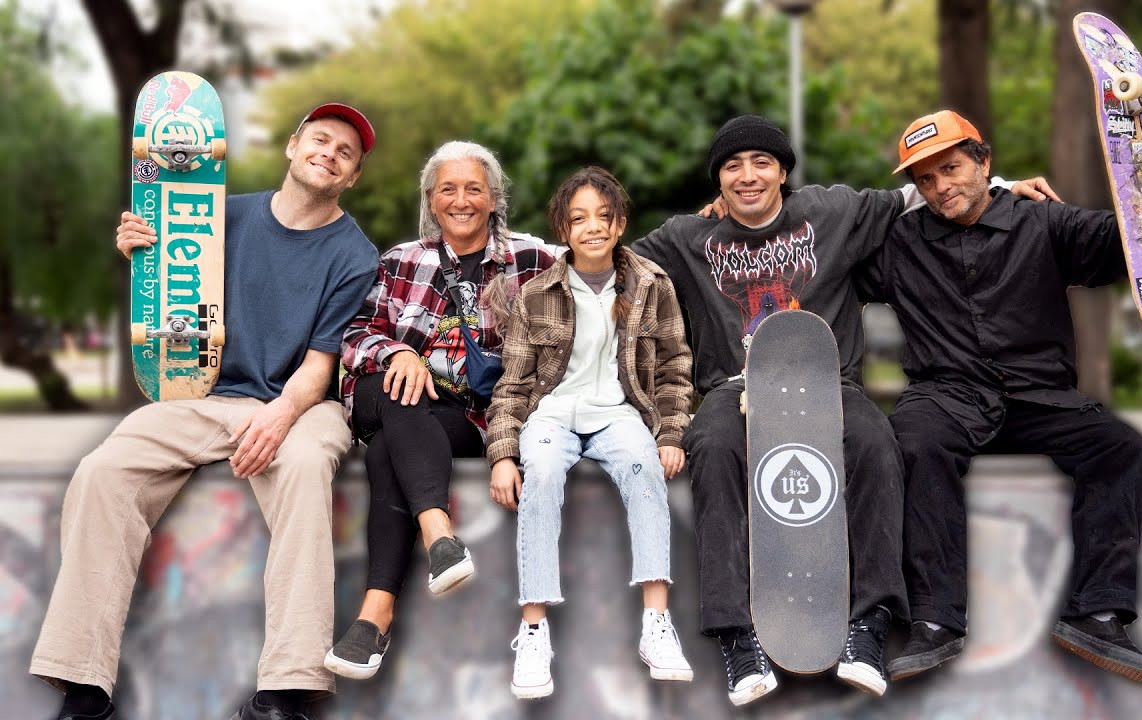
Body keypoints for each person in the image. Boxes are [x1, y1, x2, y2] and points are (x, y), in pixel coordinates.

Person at [630, 114, 1057, 705]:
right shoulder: (686, 239)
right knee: (713, 447)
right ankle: (735, 634)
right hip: (735, 386)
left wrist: (1003, 186)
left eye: (761, 163)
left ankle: (871, 623)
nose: (747, 177)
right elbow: (602, 255)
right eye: (732, 167)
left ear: (783, 172)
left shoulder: (832, 211)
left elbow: (923, 189)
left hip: (828, 384)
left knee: (881, 446)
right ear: (718, 181)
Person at [32, 103, 381, 720]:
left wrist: (278, 418)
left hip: (305, 403)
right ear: (293, 147)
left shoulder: (355, 255)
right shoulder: (218, 216)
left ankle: (285, 689)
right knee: (103, 471)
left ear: (351, 177)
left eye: (345, 152)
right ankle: (84, 684)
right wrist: (138, 248)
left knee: (302, 468)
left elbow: (321, 367)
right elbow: (164, 291)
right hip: (209, 396)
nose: (329, 153)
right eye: (320, 140)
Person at [862, 110, 1142, 684]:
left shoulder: (1043, 222)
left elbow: (1137, 253)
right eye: (926, 180)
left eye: (952, 168)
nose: (942, 187)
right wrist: (729, 216)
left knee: (1121, 447)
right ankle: (935, 622)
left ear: (983, 162)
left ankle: (1097, 614)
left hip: (1040, 396)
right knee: (912, 441)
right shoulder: (898, 243)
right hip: (947, 395)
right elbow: (814, 254)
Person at [327, 141, 558, 680]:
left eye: (474, 188)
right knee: (396, 386)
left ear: (494, 198)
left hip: (466, 415)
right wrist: (399, 352)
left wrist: (709, 217)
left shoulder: (536, 259)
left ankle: (375, 615)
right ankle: (438, 533)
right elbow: (355, 335)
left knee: (391, 447)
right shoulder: (400, 260)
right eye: (447, 189)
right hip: (385, 394)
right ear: (431, 200)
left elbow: (606, 258)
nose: (461, 200)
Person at [487, 166, 696, 699]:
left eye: (604, 217)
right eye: (579, 219)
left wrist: (670, 434)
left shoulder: (652, 284)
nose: (593, 228)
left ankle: (656, 622)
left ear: (621, 223)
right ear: (563, 229)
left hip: (619, 412)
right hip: (553, 412)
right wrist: (503, 454)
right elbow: (513, 385)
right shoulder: (537, 294)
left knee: (643, 466)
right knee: (544, 476)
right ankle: (534, 629)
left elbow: (674, 367)